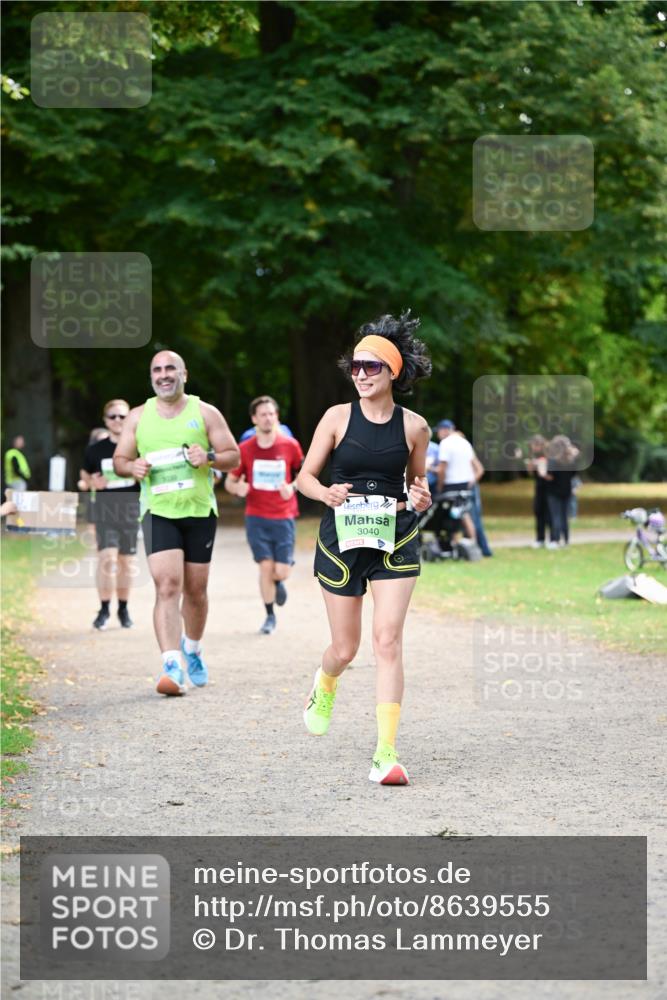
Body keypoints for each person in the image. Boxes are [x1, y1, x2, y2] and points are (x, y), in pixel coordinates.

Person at [296, 311, 432, 786]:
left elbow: (418, 484)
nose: (360, 375)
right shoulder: (336, 418)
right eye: (355, 367)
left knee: (388, 640)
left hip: (395, 536)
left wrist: (421, 496)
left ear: (392, 371)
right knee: (345, 647)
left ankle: (386, 753)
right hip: (342, 540)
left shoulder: (415, 427)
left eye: (370, 367)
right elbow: (305, 478)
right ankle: (326, 681)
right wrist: (325, 494)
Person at [113, 350, 240, 696]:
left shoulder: (205, 412)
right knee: (167, 585)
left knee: (195, 592)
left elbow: (233, 456)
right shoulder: (138, 417)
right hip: (158, 511)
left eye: (171, 368)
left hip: (199, 511)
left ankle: (192, 650)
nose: (164, 374)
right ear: (151, 376)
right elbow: (120, 459)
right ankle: (171, 665)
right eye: (157, 369)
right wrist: (132, 467)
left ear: (184, 373)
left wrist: (209, 457)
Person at [225, 395, 304, 634]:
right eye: (263, 415)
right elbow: (230, 481)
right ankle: (269, 616)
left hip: (284, 516)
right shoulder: (245, 449)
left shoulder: (290, 446)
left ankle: (279, 580)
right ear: (254, 419)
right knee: (265, 567)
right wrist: (237, 488)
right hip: (256, 517)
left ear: (277, 416)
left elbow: (304, 475)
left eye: (272, 414)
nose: (268, 418)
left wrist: (292, 487)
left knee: (280, 571)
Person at [79, 399, 140, 630]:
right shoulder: (95, 450)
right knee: (107, 559)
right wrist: (91, 481)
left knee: (126, 562)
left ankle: (123, 609)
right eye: (112, 416)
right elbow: (84, 474)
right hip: (105, 511)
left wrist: (138, 474)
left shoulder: (138, 447)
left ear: (129, 419)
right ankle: (104, 609)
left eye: (122, 416)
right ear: (105, 421)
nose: (117, 420)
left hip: (131, 511)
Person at [435, 420, 482, 544]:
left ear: (444, 430)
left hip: (451, 484)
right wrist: (471, 482)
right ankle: (471, 542)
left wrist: (439, 486)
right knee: (462, 514)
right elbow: (478, 468)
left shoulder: (445, 444)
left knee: (454, 514)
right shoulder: (465, 442)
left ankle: (457, 542)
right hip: (465, 484)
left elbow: (442, 469)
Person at [543, 435, 578, 549]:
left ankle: (556, 540)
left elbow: (550, 476)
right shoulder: (570, 460)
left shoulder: (553, 461)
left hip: (554, 492)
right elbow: (574, 475)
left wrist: (543, 473)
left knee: (556, 517)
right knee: (564, 517)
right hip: (566, 491)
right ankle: (566, 540)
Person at [525, 434, 551, 548]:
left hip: (549, 489)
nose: (533, 448)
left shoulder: (549, 456)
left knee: (549, 514)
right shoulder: (533, 456)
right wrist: (531, 466)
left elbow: (548, 474)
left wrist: (541, 465)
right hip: (539, 488)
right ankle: (540, 539)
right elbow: (531, 474)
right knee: (538, 512)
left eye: (535, 446)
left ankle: (553, 538)